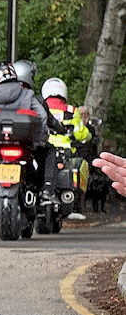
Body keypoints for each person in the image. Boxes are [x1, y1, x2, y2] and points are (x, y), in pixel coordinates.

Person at [0, 61, 48, 203]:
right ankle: (44, 190)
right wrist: (38, 140)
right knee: (46, 153)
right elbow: (42, 116)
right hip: (24, 144)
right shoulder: (27, 93)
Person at [13, 59, 62, 203]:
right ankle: (47, 188)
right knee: (50, 151)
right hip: (30, 145)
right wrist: (60, 128)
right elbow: (48, 119)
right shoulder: (35, 99)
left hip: (4, 141)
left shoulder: (2, 96)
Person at [42, 77, 91, 220]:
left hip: (46, 147)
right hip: (65, 151)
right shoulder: (70, 110)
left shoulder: (41, 106)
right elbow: (80, 132)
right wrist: (88, 136)